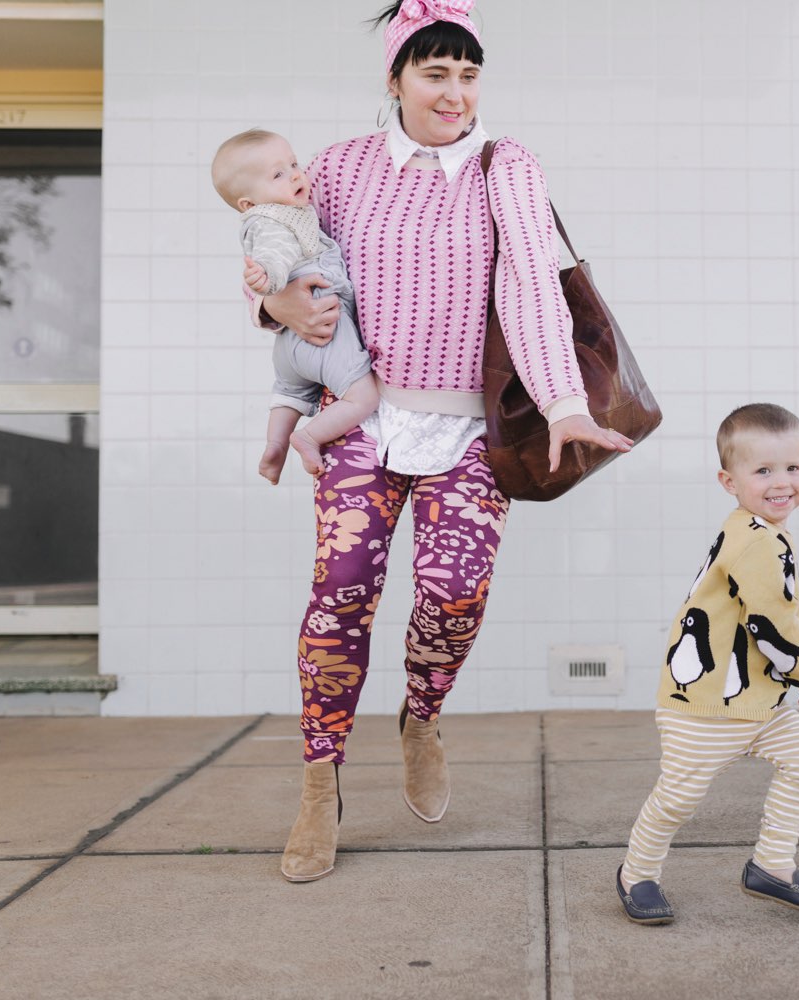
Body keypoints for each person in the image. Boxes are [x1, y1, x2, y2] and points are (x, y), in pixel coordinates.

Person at [253, 0, 634, 884]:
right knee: (341, 592)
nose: (455, 91)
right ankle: (320, 784)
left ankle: (421, 713)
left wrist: (564, 402)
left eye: (468, 74)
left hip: (468, 426)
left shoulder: (508, 166)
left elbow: (533, 288)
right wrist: (274, 302)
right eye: (435, 73)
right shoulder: (342, 168)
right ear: (395, 80)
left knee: (453, 595)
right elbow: (285, 252)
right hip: (361, 413)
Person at [616, 403, 799, 924]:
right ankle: (637, 874)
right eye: (763, 471)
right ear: (729, 480)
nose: (782, 482)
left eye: (794, 467)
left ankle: (772, 867)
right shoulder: (756, 542)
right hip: (706, 704)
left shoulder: (760, 529)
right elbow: (772, 623)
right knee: (677, 798)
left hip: (754, 700)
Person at [212, 128, 380, 484]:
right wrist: (270, 283)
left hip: (290, 344)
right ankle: (308, 436)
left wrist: (269, 296)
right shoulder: (274, 220)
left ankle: (275, 444)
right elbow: (275, 255)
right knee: (363, 397)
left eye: (292, 164)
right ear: (249, 203)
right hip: (323, 327)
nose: (295, 175)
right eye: (278, 174)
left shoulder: (280, 214)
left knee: (289, 393)